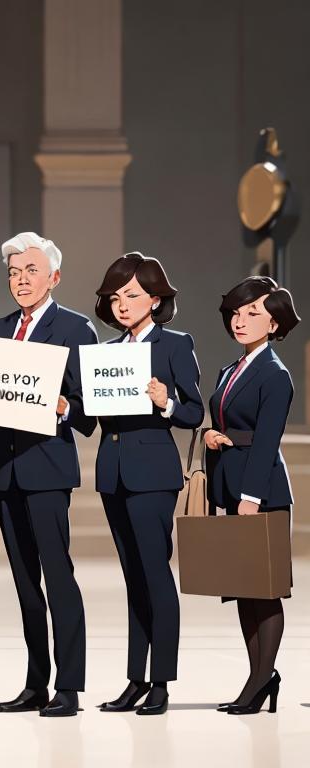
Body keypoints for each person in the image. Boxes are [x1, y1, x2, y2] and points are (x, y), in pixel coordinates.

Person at [0, 232, 97, 717]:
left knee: (58, 577)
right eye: (15, 273)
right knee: (24, 582)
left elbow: (87, 414)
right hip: (4, 470)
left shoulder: (75, 329)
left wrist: (63, 405)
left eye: (32, 271)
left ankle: (70, 685)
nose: (22, 280)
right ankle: (35, 681)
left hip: (47, 469)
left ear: (54, 277)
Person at [92, 253, 203, 716]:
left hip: (153, 475)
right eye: (116, 297)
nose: (122, 304)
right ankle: (135, 678)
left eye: (132, 295)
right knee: (133, 579)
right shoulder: (107, 350)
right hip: (113, 471)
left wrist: (167, 402)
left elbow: (195, 413)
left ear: (155, 300)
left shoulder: (175, 345)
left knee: (156, 576)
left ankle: (161, 681)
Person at [203, 275, 299, 715]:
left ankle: (262, 679)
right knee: (245, 591)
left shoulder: (275, 374)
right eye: (236, 313)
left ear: (275, 324)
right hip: (233, 488)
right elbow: (232, 422)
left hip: (260, 494)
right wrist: (212, 434)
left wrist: (250, 498)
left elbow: (266, 442)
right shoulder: (231, 369)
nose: (240, 321)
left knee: (266, 591)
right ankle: (259, 678)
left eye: (252, 314)